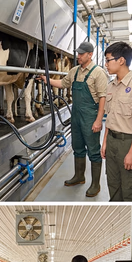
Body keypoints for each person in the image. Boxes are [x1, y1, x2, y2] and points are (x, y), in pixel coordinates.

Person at [38, 42, 108, 197]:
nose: (78, 56)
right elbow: (63, 84)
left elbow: (103, 98)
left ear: (90, 55)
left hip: (90, 115)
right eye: (78, 53)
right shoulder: (74, 71)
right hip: (76, 114)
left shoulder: (98, 73)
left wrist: (98, 120)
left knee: (94, 150)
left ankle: (96, 184)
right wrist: (46, 79)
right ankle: (79, 176)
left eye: (81, 54)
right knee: (77, 147)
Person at [102, 41, 132, 201]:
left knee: (131, 191)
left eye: (108, 60)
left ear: (121, 60)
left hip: (128, 143)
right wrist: (105, 142)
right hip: (112, 142)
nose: (106, 64)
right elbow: (110, 118)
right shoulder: (111, 86)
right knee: (113, 188)